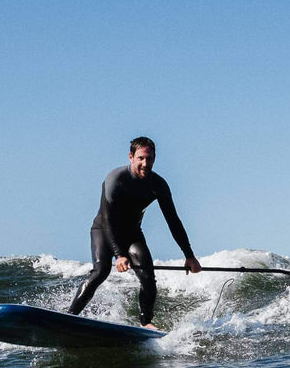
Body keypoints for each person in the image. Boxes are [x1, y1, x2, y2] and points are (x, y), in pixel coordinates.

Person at [67, 137, 201, 328]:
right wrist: (119, 255)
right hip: (104, 230)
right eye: (141, 158)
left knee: (148, 277)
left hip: (132, 233)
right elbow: (107, 219)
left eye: (150, 159)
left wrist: (189, 256)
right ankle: (70, 317)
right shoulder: (115, 179)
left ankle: (146, 323)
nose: (146, 164)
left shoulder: (158, 185)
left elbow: (173, 221)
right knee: (101, 271)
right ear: (131, 157)